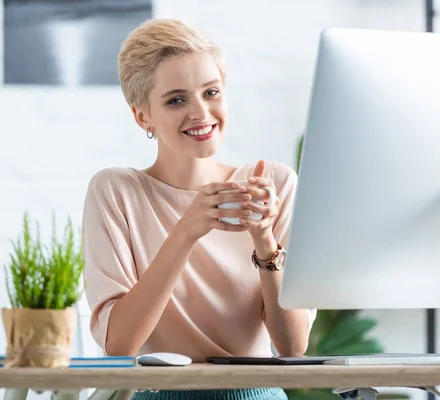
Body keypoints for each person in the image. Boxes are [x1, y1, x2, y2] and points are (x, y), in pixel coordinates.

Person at [81, 18, 316, 400]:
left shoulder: (275, 183)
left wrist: (264, 238)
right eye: (176, 100)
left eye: (211, 92)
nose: (201, 113)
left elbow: (292, 347)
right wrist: (187, 230)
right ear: (142, 116)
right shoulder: (116, 192)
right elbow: (120, 346)